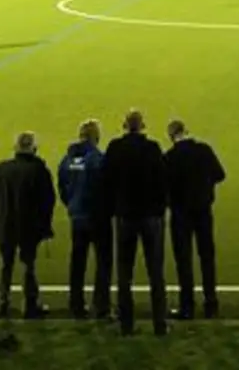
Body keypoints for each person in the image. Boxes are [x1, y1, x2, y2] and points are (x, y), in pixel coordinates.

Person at [102, 110, 169, 336]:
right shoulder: (152, 148)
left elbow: (106, 181)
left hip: (125, 216)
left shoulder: (115, 148)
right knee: (156, 271)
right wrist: (160, 209)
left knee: (124, 273)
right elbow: (163, 180)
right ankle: (160, 323)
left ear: (124, 125)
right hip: (150, 216)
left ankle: (126, 324)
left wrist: (114, 208)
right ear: (142, 126)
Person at [0, 131, 56, 319]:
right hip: (29, 226)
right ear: (34, 148)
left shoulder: (2, 169)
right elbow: (48, 200)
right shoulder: (39, 170)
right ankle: (30, 304)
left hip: (5, 224)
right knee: (28, 264)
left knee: (6, 264)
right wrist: (45, 225)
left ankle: (3, 302)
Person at [164, 120, 226, 320]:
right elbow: (220, 175)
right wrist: (204, 186)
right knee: (207, 257)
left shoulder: (170, 157)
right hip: (203, 210)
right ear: (186, 131)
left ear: (171, 136)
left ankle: (187, 306)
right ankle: (211, 304)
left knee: (184, 260)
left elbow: (162, 186)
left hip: (180, 214)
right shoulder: (204, 150)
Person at [58, 120, 111, 320]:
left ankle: (76, 304)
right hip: (97, 218)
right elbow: (105, 188)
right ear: (96, 137)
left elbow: (62, 187)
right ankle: (101, 305)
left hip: (77, 216)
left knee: (78, 261)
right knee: (103, 261)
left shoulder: (67, 160)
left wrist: (72, 206)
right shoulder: (98, 159)